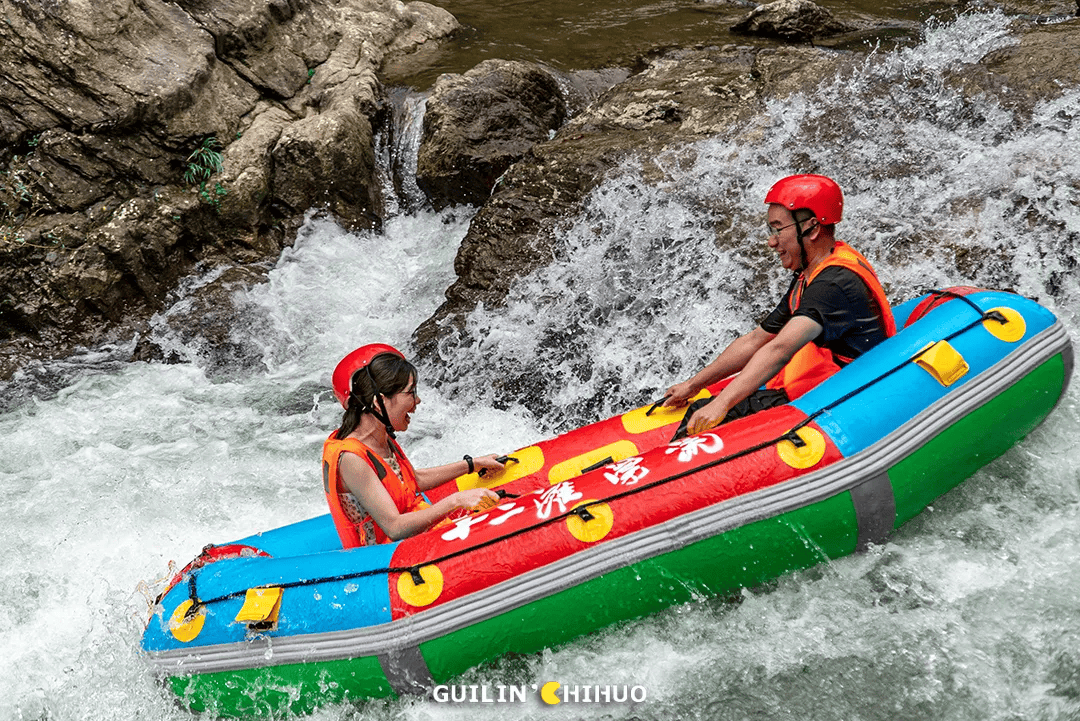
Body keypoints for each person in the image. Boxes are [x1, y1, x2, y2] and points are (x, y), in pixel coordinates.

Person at [663, 174, 896, 436]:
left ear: (813, 228)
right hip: (831, 382)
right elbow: (757, 340)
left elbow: (780, 349)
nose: (772, 242)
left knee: (712, 416)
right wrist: (693, 385)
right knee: (705, 406)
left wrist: (721, 404)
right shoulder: (811, 273)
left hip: (850, 398)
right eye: (770, 230)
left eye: (778, 229)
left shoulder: (833, 284)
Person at [322, 343, 503, 548]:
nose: (418, 400)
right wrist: (456, 501)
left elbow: (411, 480)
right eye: (410, 393)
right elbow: (395, 527)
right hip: (389, 558)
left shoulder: (379, 436)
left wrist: (472, 465)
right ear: (379, 401)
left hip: (415, 541)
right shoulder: (352, 459)